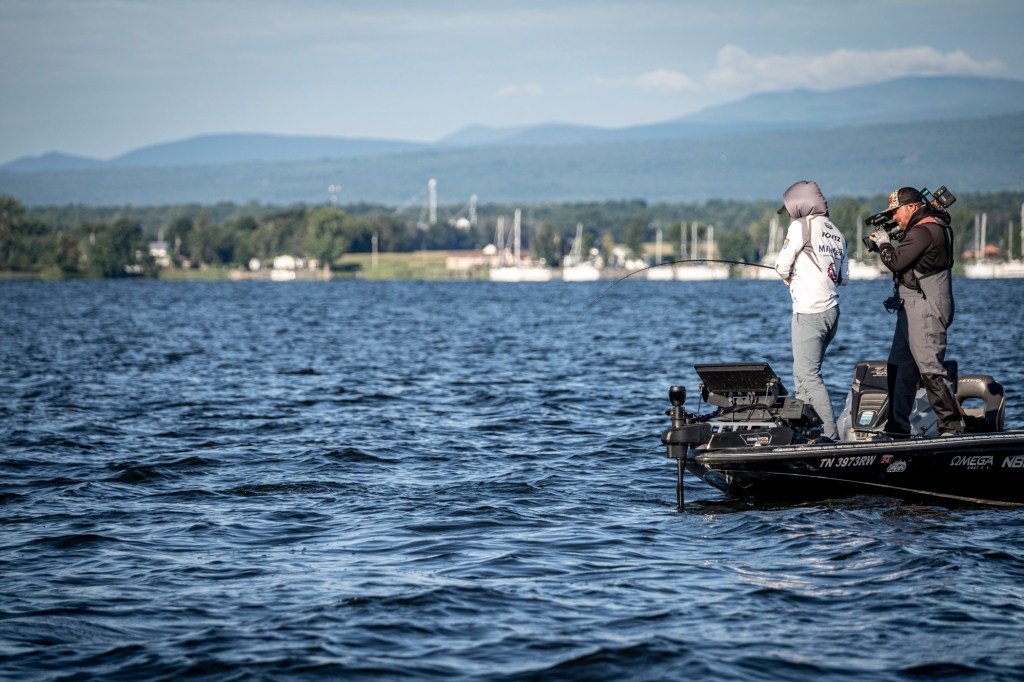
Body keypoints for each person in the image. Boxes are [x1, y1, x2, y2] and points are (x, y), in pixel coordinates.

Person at [867, 187, 965, 436]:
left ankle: (951, 427)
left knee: (930, 368)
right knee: (898, 366)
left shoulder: (924, 231)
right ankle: (897, 428)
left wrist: (884, 243)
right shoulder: (926, 228)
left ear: (911, 207)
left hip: (925, 306)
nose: (894, 217)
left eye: (896, 211)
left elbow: (895, 262)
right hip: (910, 307)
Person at [775, 180, 849, 441]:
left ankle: (829, 437)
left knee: (808, 376)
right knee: (802, 375)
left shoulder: (800, 226)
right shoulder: (836, 232)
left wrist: (789, 276)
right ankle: (806, 434)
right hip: (831, 313)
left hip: (809, 312)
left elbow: (781, 266)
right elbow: (843, 278)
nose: (790, 215)